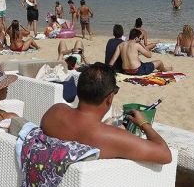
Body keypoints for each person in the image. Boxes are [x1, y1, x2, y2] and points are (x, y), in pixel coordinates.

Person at [40, 63, 172, 164]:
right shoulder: (112, 137)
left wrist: (106, 127)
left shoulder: (55, 112)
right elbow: (165, 155)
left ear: (78, 90)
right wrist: (144, 124)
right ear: (109, 98)